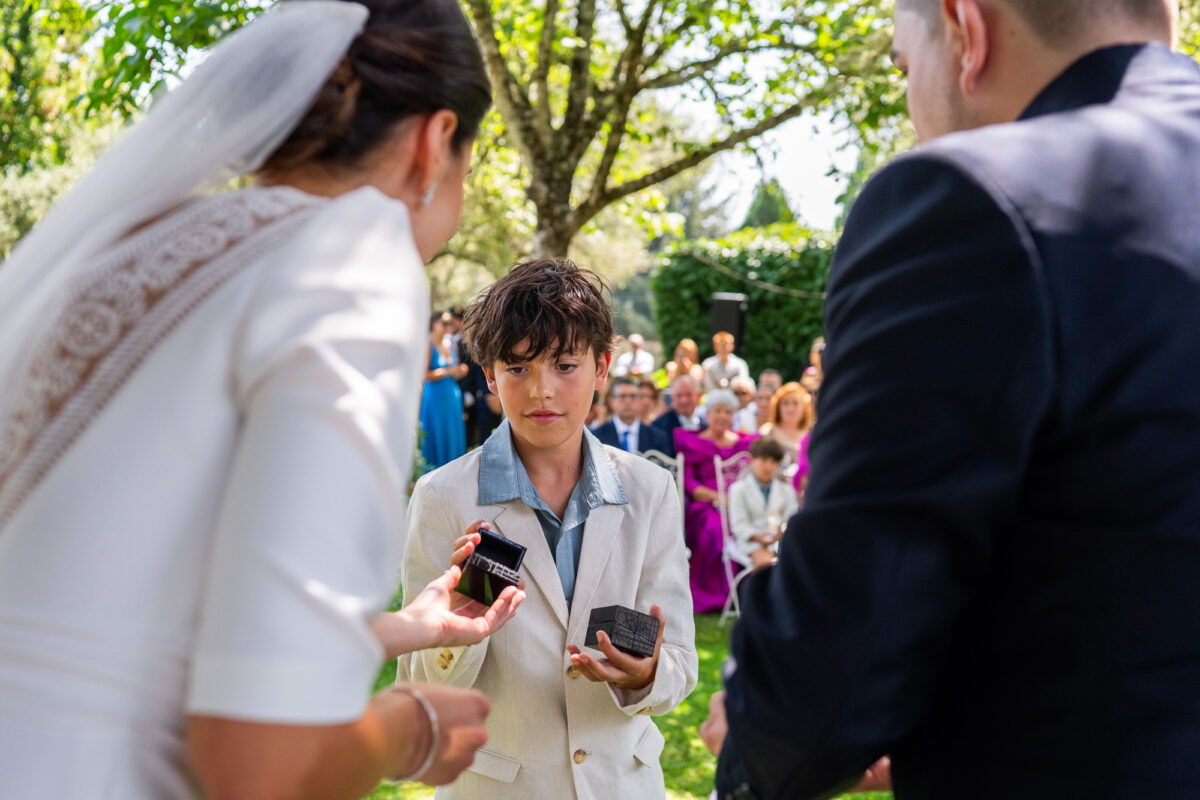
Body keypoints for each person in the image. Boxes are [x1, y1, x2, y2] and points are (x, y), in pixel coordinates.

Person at [0, 1, 527, 797]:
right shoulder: (354, 255)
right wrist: (410, 728)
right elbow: (259, 761)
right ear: (434, 143)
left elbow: (131, 604)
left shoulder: (140, 243)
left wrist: (406, 628)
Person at [709, 1, 1200, 798]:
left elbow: (836, 661)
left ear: (966, 29)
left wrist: (755, 739)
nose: (911, 106)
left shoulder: (972, 201)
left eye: (904, 66)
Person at [399, 259, 698, 800]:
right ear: (489, 375)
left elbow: (679, 659)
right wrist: (456, 633)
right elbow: (419, 686)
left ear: (601, 367)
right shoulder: (442, 496)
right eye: (517, 368)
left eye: (564, 365)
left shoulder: (651, 489)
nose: (541, 390)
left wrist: (646, 675)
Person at [675, 389, 756, 613]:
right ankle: (716, 596)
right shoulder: (693, 442)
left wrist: (738, 500)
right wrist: (718, 498)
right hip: (706, 504)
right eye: (718, 411)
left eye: (728, 412)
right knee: (715, 529)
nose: (722, 416)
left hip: (741, 502)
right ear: (708, 414)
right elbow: (689, 483)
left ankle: (748, 591)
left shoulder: (743, 443)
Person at [727, 437, 798, 569]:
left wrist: (780, 534)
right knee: (766, 563)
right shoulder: (738, 489)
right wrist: (758, 537)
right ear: (752, 459)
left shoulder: (786, 490)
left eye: (774, 462)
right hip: (750, 542)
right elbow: (739, 524)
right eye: (764, 460)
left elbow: (791, 516)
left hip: (780, 540)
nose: (768, 466)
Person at [421, 311, 468, 468]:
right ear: (434, 324)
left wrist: (460, 371)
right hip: (435, 397)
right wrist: (448, 371)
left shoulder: (451, 344)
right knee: (436, 432)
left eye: (450, 323)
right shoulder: (428, 344)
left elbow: (454, 372)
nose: (449, 326)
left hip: (451, 395)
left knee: (451, 433)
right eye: (444, 323)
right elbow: (424, 375)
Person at [593, 376, 672, 455]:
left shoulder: (658, 437)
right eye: (622, 396)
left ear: (639, 400)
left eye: (633, 396)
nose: (628, 401)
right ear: (612, 402)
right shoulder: (596, 437)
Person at [758, 382, 815, 472]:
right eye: (785, 403)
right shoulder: (766, 432)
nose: (790, 408)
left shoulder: (812, 434)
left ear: (804, 407)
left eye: (795, 403)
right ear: (778, 407)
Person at [650, 374, 706, 456]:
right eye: (679, 396)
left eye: (689, 394)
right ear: (672, 398)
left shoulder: (707, 422)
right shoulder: (658, 426)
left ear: (698, 396)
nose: (684, 400)